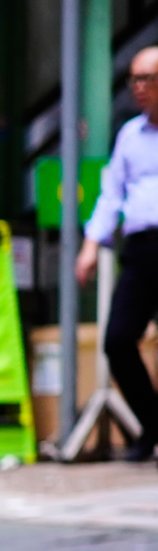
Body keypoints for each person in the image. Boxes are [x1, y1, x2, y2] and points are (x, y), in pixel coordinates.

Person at [78, 43, 158, 463]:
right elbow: (110, 195)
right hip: (143, 250)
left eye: (148, 79)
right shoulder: (130, 135)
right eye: (134, 79)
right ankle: (152, 423)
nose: (139, 88)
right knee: (118, 339)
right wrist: (91, 244)